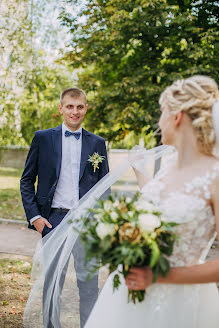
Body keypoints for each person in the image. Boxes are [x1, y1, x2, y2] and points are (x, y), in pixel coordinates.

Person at [84, 75, 219, 328]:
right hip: (127, 298)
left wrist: (162, 276)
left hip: (179, 305)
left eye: (161, 112)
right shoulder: (169, 166)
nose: (159, 121)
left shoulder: (215, 176)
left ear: (176, 117)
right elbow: (162, 205)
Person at [20, 87, 109, 328]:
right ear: (60, 108)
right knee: (53, 285)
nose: (75, 111)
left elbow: (104, 187)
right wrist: (35, 217)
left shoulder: (98, 144)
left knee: (89, 285)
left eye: (80, 106)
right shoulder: (42, 138)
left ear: (86, 109)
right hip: (54, 221)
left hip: (87, 224)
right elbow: (27, 180)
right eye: (70, 106)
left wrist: (101, 224)